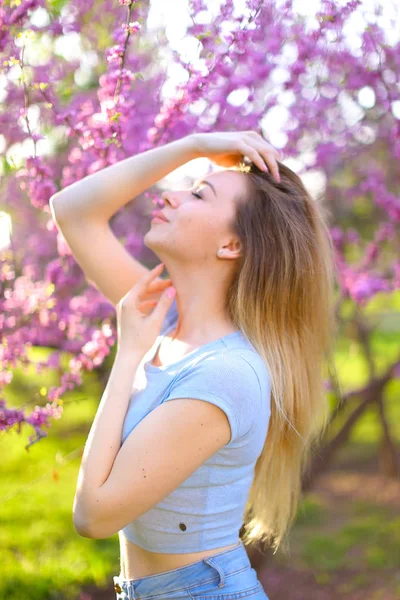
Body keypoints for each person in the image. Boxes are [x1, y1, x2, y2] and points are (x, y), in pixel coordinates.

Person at [50, 131, 336, 599]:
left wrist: (128, 356)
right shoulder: (167, 324)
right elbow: (73, 211)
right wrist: (194, 145)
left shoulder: (225, 373)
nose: (170, 194)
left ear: (231, 246)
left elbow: (94, 515)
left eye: (199, 194)